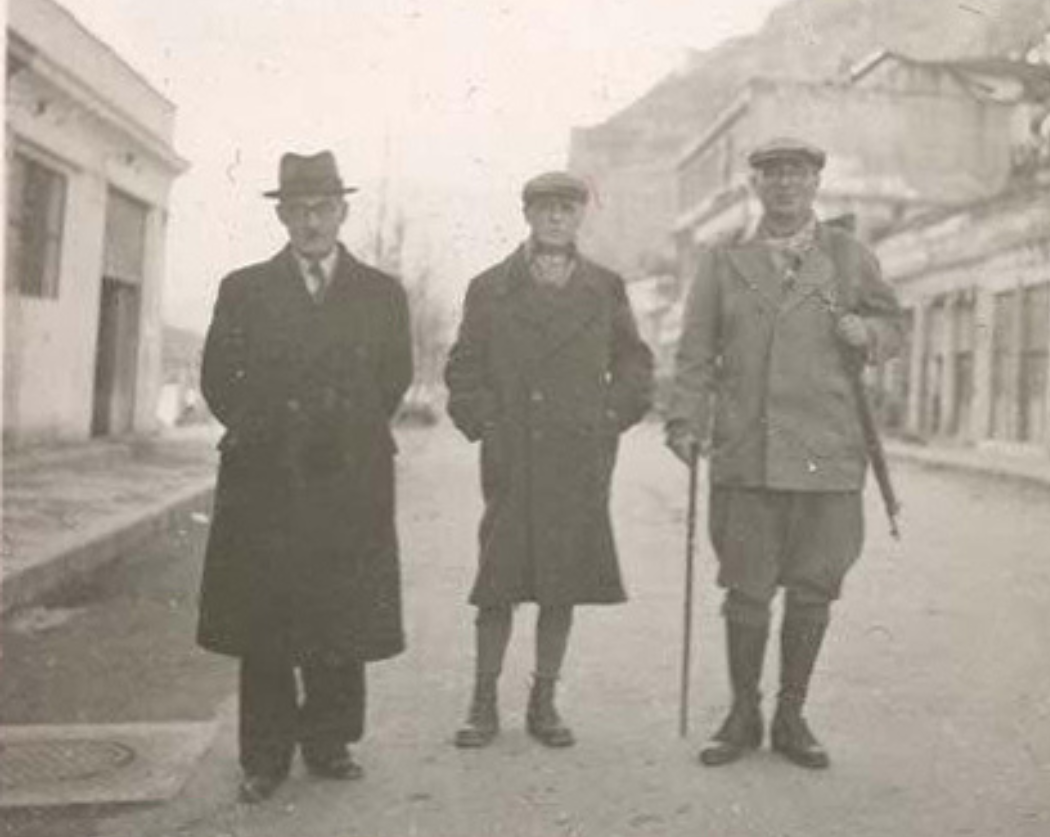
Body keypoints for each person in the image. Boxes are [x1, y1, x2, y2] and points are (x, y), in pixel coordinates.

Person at [665, 137, 903, 770]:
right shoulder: (723, 262)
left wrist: (869, 333)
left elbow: (895, 325)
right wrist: (685, 423)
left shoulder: (850, 258)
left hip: (829, 454)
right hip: (749, 451)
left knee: (813, 589)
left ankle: (791, 716)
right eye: (772, 176)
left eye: (797, 174)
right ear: (757, 187)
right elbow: (694, 355)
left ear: (816, 183)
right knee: (745, 590)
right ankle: (743, 714)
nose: (785, 186)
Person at [196, 151, 413, 803]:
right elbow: (217, 378)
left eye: (324, 208)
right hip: (266, 477)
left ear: (343, 213)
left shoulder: (381, 293)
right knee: (264, 617)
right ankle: (263, 756)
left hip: (347, 475)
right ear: (283, 216)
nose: (312, 221)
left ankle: (330, 742)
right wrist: (265, 432)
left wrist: (342, 435)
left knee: (339, 612)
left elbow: (393, 378)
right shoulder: (245, 289)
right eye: (300, 209)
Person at [445, 171, 654, 749]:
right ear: (528, 215)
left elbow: (635, 363)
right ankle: (482, 702)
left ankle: (544, 702)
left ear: (581, 215)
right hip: (512, 457)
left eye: (566, 207)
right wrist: (485, 418)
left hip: (576, 458)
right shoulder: (490, 287)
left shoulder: (606, 288)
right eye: (545, 208)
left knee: (561, 582)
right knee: (498, 582)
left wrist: (609, 417)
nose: (556, 218)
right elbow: (464, 366)